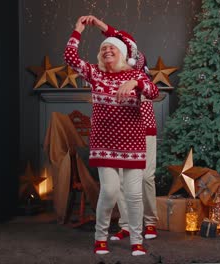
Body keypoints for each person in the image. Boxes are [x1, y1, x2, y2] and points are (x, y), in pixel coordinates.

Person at [64, 16, 159, 256]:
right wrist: (78, 31)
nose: (107, 50)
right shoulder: (95, 74)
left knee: (135, 194)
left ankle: (136, 240)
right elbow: (71, 59)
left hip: (133, 144)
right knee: (109, 192)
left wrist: (136, 82)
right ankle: (100, 236)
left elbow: (154, 91)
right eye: (103, 48)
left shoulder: (136, 74)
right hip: (105, 144)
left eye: (112, 48)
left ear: (123, 54)